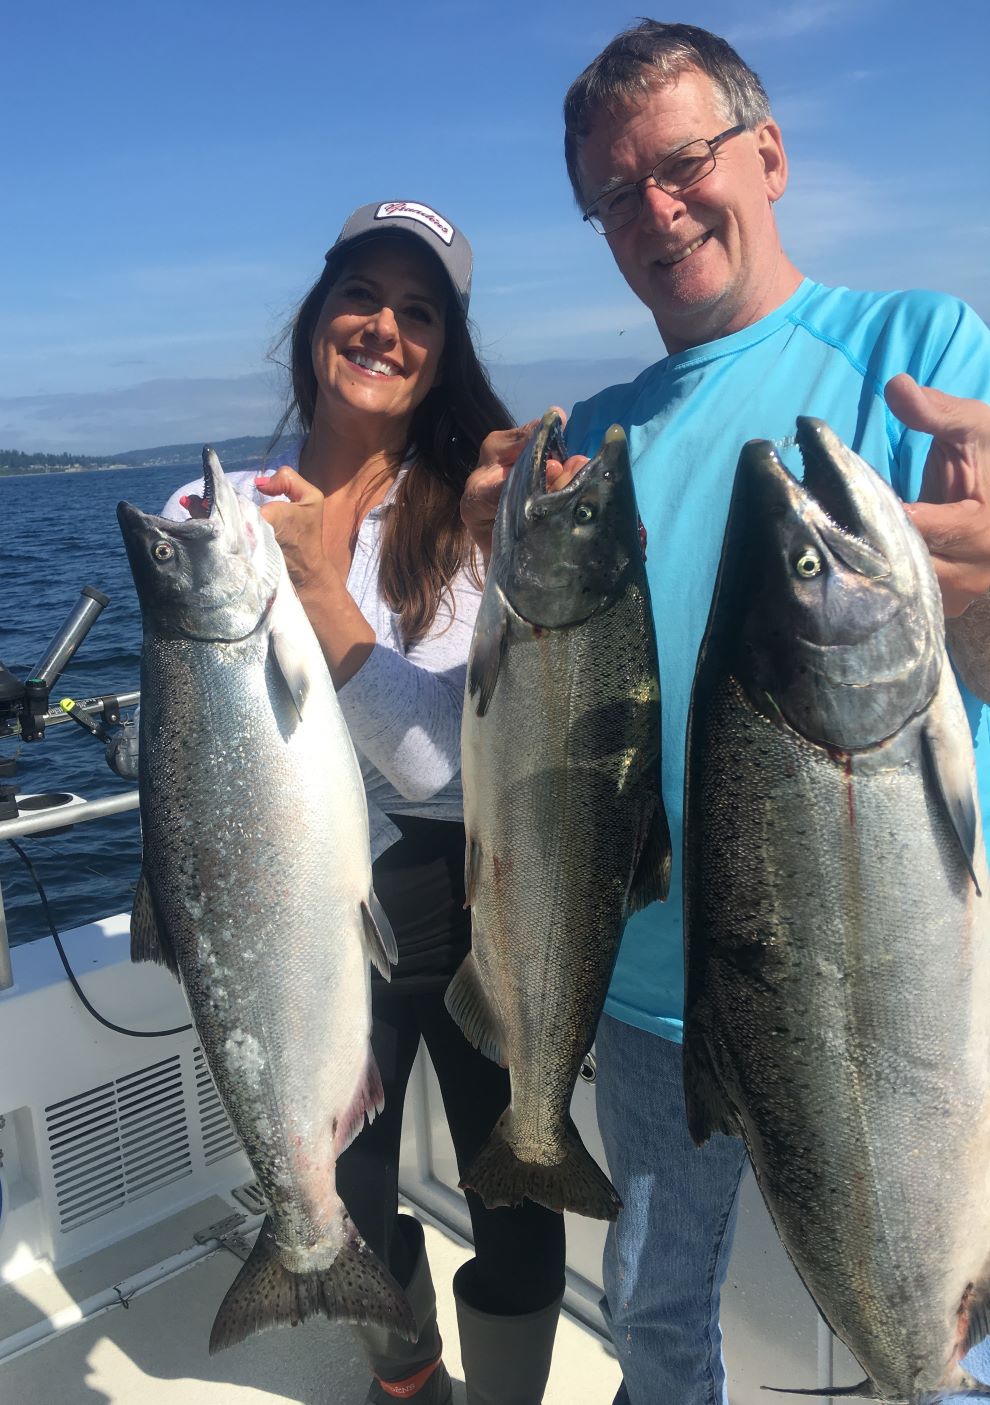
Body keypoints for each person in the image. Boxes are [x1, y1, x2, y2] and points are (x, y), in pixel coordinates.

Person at [460, 21, 990, 1405]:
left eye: (683, 162)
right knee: (650, 1310)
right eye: (614, 192)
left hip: (884, 972)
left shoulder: (918, 348)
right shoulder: (600, 436)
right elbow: (523, 707)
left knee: (939, 1297)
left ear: (768, 153)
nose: (656, 208)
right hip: (641, 988)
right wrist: (486, 553)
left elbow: (975, 651)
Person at [165, 201, 566, 1405]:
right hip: (295, 909)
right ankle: (412, 1384)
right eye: (360, 296)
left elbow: (446, 768)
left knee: (518, 1204)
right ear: (315, 319)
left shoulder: (474, 513)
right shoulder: (211, 520)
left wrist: (326, 598)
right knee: (348, 1194)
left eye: (418, 310)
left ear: (442, 349)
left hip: (469, 902)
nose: (383, 326)